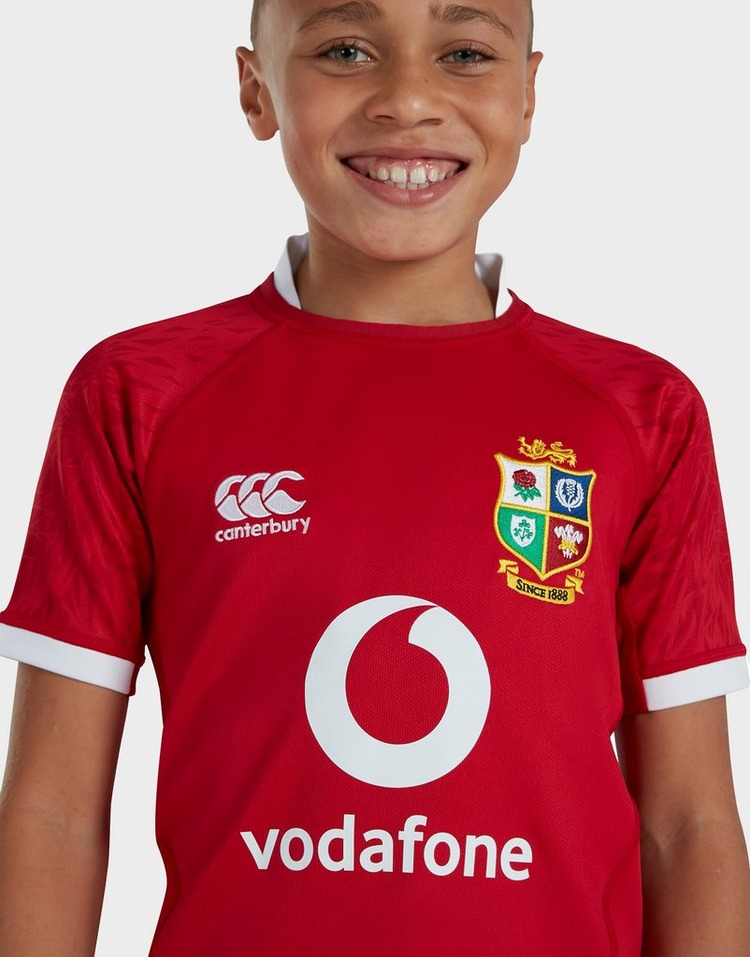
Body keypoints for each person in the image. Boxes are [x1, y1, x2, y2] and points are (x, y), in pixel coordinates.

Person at [0, 0, 748, 953]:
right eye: (346, 50)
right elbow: (55, 812)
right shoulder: (139, 394)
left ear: (528, 95)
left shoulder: (641, 412)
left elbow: (688, 824)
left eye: (465, 53)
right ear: (255, 88)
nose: (408, 97)